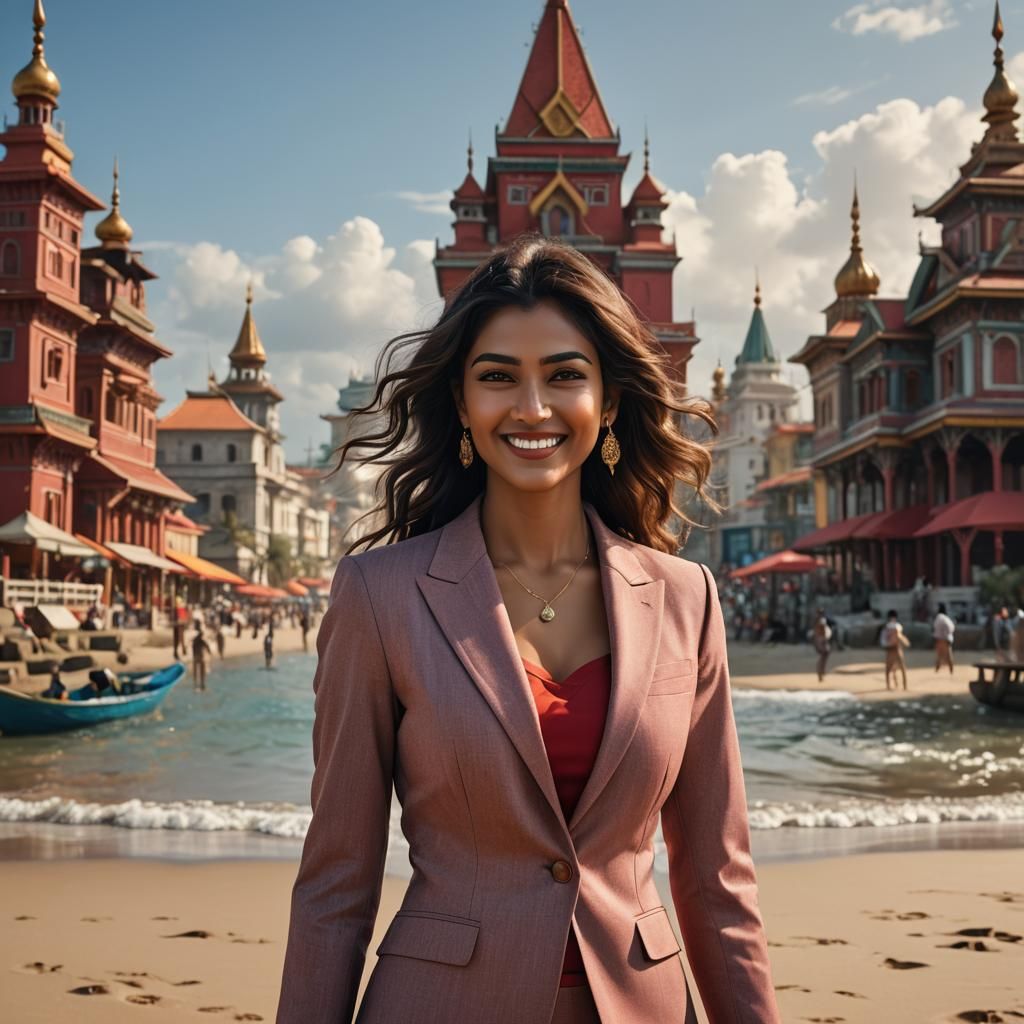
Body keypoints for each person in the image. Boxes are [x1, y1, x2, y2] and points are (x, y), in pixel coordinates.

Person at [275, 237, 781, 1024]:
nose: (533, 407)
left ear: (608, 401)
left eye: (566, 375)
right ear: (460, 403)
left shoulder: (687, 598)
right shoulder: (379, 596)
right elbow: (337, 878)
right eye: (498, 377)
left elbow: (718, 878)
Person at [881, 609, 911, 691]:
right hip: (896, 649)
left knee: (890, 669)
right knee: (900, 668)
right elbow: (900, 637)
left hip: (891, 650)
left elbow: (883, 640)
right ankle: (904, 686)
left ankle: (889, 686)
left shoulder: (887, 628)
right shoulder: (897, 627)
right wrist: (906, 643)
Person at [933, 602, 956, 674]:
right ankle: (951, 671)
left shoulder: (938, 618)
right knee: (949, 655)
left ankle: (937, 670)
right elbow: (951, 628)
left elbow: (935, 628)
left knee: (939, 655)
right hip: (946, 639)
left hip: (939, 639)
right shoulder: (946, 618)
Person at [812, 607, 832, 682]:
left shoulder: (816, 620)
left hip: (819, 640)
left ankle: (821, 672)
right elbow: (823, 630)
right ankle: (821, 672)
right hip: (821, 640)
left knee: (824, 655)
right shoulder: (821, 620)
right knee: (824, 655)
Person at [191, 627, 212, 692]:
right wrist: (209, 653)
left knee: (196, 670)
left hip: (196, 657)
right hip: (201, 657)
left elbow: (193, 649)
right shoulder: (202, 641)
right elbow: (208, 648)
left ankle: (195, 683)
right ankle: (202, 683)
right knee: (201, 671)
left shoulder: (195, 640)